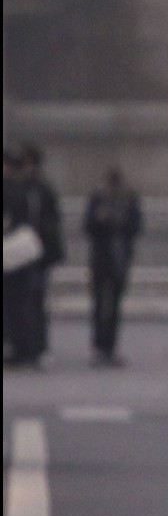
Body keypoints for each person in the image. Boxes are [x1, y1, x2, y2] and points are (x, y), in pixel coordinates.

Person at [2, 142, 64, 369]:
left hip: (30, 254)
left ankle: (32, 347)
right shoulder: (25, 188)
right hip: (23, 253)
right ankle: (22, 346)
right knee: (19, 303)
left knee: (30, 302)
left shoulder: (34, 189)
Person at [83, 167, 143, 366]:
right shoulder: (97, 199)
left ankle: (110, 347)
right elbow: (87, 227)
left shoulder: (130, 200)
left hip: (119, 258)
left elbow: (137, 227)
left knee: (114, 306)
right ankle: (99, 347)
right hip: (101, 258)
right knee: (100, 304)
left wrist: (119, 222)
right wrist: (99, 220)